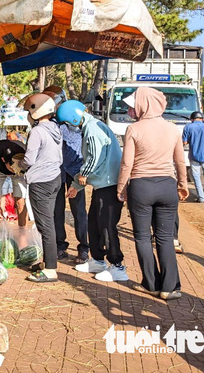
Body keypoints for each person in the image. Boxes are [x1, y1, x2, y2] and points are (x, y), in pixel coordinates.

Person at [117, 87, 188, 300]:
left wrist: (122, 188)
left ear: (143, 105)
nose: (131, 108)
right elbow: (180, 160)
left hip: (141, 186)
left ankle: (151, 283)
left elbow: (127, 163)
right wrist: (182, 184)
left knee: (142, 237)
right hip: (167, 185)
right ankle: (170, 288)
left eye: (133, 104)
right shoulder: (172, 129)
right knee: (165, 238)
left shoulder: (134, 129)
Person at [56, 100, 126, 282]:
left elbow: (94, 157)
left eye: (68, 123)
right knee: (94, 222)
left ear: (72, 119)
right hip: (101, 184)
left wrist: (83, 176)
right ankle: (97, 260)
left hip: (108, 184)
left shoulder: (92, 129)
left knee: (107, 225)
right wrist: (76, 186)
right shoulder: (90, 126)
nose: (69, 126)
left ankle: (117, 266)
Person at [20, 93, 64, 283]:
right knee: (49, 223)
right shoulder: (56, 128)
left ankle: (51, 270)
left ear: (36, 112)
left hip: (40, 182)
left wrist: (18, 165)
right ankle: (48, 262)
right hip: (55, 178)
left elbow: (29, 159)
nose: (28, 116)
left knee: (45, 225)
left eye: (29, 111)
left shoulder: (37, 132)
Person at [43, 86, 89, 264]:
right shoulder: (50, 120)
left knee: (79, 211)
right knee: (56, 210)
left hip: (75, 170)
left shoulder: (72, 117)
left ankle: (84, 248)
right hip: (56, 170)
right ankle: (60, 246)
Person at [182, 111, 204, 202]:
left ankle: (201, 198)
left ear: (192, 119)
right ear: (202, 118)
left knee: (196, 177)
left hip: (194, 156)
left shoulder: (188, 127)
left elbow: (184, 143)